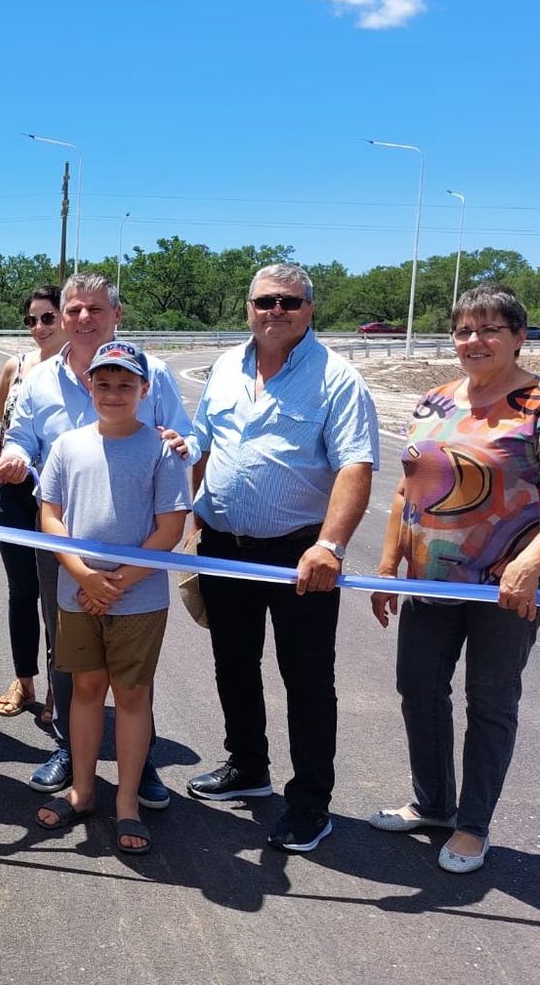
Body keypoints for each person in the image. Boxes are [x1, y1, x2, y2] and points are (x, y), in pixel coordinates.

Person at [369, 284, 540, 873]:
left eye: (489, 329)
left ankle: (472, 825)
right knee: (419, 689)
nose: (474, 340)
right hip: (430, 580)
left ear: (517, 336)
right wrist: (389, 569)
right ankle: (433, 803)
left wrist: (530, 565)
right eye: (463, 329)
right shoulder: (434, 401)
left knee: (490, 702)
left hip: (506, 591)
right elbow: (408, 492)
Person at [186, 263, 379, 853]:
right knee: (233, 663)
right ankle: (248, 765)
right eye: (265, 300)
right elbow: (203, 441)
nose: (276, 311)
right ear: (248, 307)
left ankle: (310, 803)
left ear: (309, 309)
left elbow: (355, 467)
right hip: (224, 547)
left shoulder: (337, 380)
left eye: (289, 302)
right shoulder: (225, 366)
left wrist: (330, 546)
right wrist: (191, 511)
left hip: (302, 555)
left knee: (307, 680)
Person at [0, 272, 189, 806]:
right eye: (72, 310)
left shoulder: (156, 374)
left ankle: (139, 765)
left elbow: (186, 438)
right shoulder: (38, 379)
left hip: (138, 557)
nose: (82, 319)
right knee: (66, 655)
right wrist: (13, 455)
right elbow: (21, 437)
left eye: (95, 310)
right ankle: (68, 751)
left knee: (131, 675)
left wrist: (180, 442)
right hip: (66, 551)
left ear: (116, 315)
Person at [33, 341, 190, 853]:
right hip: (77, 592)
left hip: (138, 599)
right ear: (89, 386)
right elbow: (50, 516)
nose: (114, 393)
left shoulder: (161, 450)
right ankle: (82, 790)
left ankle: (127, 801)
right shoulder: (68, 446)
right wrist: (83, 574)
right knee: (83, 691)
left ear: (145, 390)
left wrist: (116, 581)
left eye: (126, 385)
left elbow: (170, 529)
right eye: (104, 383)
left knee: (131, 696)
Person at [0, 285, 65, 719]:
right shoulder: (14, 366)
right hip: (11, 495)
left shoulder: (82, 370)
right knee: (22, 590)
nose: (39, 328)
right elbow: (0, 422)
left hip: (57, 497)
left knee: (56, 596)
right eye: (31, 320)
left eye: (48, 318)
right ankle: (25, 681)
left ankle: (61, 685)